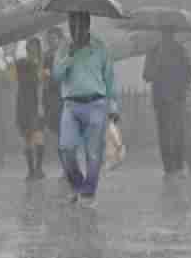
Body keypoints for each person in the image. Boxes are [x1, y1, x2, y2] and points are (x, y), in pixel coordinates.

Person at [52, 12, 119, 208]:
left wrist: (113, 106)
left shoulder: (100, 47)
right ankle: (78, 185)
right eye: (73, 26)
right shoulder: (64, 47)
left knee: (93, 154)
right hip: (71, 105)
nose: (76, 30)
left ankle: (88, 194)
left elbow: (109, 79)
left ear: (87, 25)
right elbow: (56, 76)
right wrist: (70, 55)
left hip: (96, 104)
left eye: (80, 26)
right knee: (66, 149)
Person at [143, 29, 191, 178]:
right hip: (164, 99)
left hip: (175, 98)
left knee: (175, 132)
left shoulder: (179, 51)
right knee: (167, 133)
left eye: (168, 34)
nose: (167, 37)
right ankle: (170, 167)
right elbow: (146, 75)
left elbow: (188, 73)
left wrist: (182, 87)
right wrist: (155, 69)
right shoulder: (155, 52)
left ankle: (176, 166)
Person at [15, 37, 45, 181]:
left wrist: (40, 105)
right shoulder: (22, 63)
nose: (32, 50)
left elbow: (41, 85)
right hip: (24, 103)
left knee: (38, 136)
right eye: (30, 47)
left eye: (35, 47)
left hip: (36, 103)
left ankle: (38, 169)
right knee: (27, 137)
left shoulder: (42, 64)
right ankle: (31, 170)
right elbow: (20, 78)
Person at [42, 27, 67, 178]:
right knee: (58, 134)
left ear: (59, 39)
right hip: (51, 98)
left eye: (54, 38)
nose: (51, 41)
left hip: (64, 98)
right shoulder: (46, 56)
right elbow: (44, 76)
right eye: (49, 39)